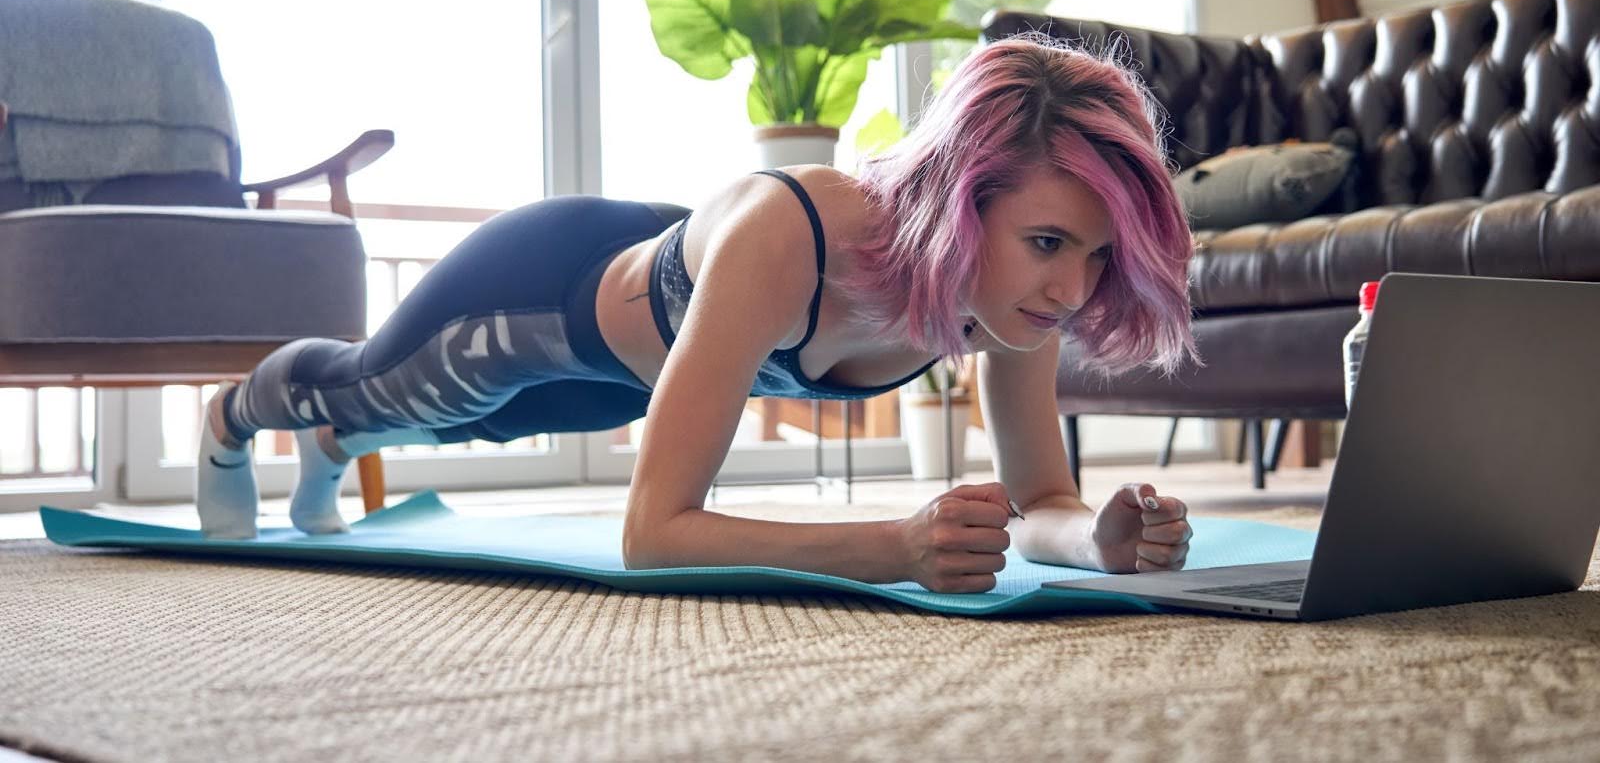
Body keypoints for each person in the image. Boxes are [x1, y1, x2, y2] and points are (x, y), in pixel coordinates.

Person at [196, 35, 1199, 593]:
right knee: (388, 386)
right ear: (959, 203)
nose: (1072, 290)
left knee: (462, 426)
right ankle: (235, 416)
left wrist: (1097, 540)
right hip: (544, 286)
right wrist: (892, 547)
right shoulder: (793, 234)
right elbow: (653, 533)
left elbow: (1041, 502)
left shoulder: (1014, 305)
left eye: (1097, 255)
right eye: (1049, 244)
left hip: (632, 354)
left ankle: (334, 442)